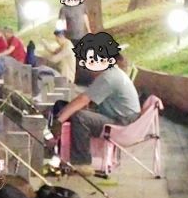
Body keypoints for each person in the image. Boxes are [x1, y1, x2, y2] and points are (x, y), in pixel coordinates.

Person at [52, 31, 140, 168]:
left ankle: (82, 164)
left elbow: (83, 99)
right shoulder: (111, 72)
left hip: (123, 122)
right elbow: (87, 98)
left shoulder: (108, 77)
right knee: (71, 109)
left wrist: (59, 120)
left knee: (80, 117)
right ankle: (64, 153)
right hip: (124, 117)